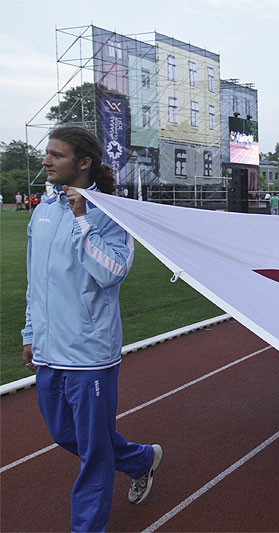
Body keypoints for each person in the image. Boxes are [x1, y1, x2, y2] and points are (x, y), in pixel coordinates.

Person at [21, 126, 163, 532]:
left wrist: (83, 219)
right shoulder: (42, 211)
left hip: (89, 354)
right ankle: (140, 460)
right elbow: (37, 281)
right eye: (47, 153)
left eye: (56, 155)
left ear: (83, 163)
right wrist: (30, 334)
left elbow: (111, 272)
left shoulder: (111, 215)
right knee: (66, 435)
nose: (46, 160)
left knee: (95, 453)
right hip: (49, 350)